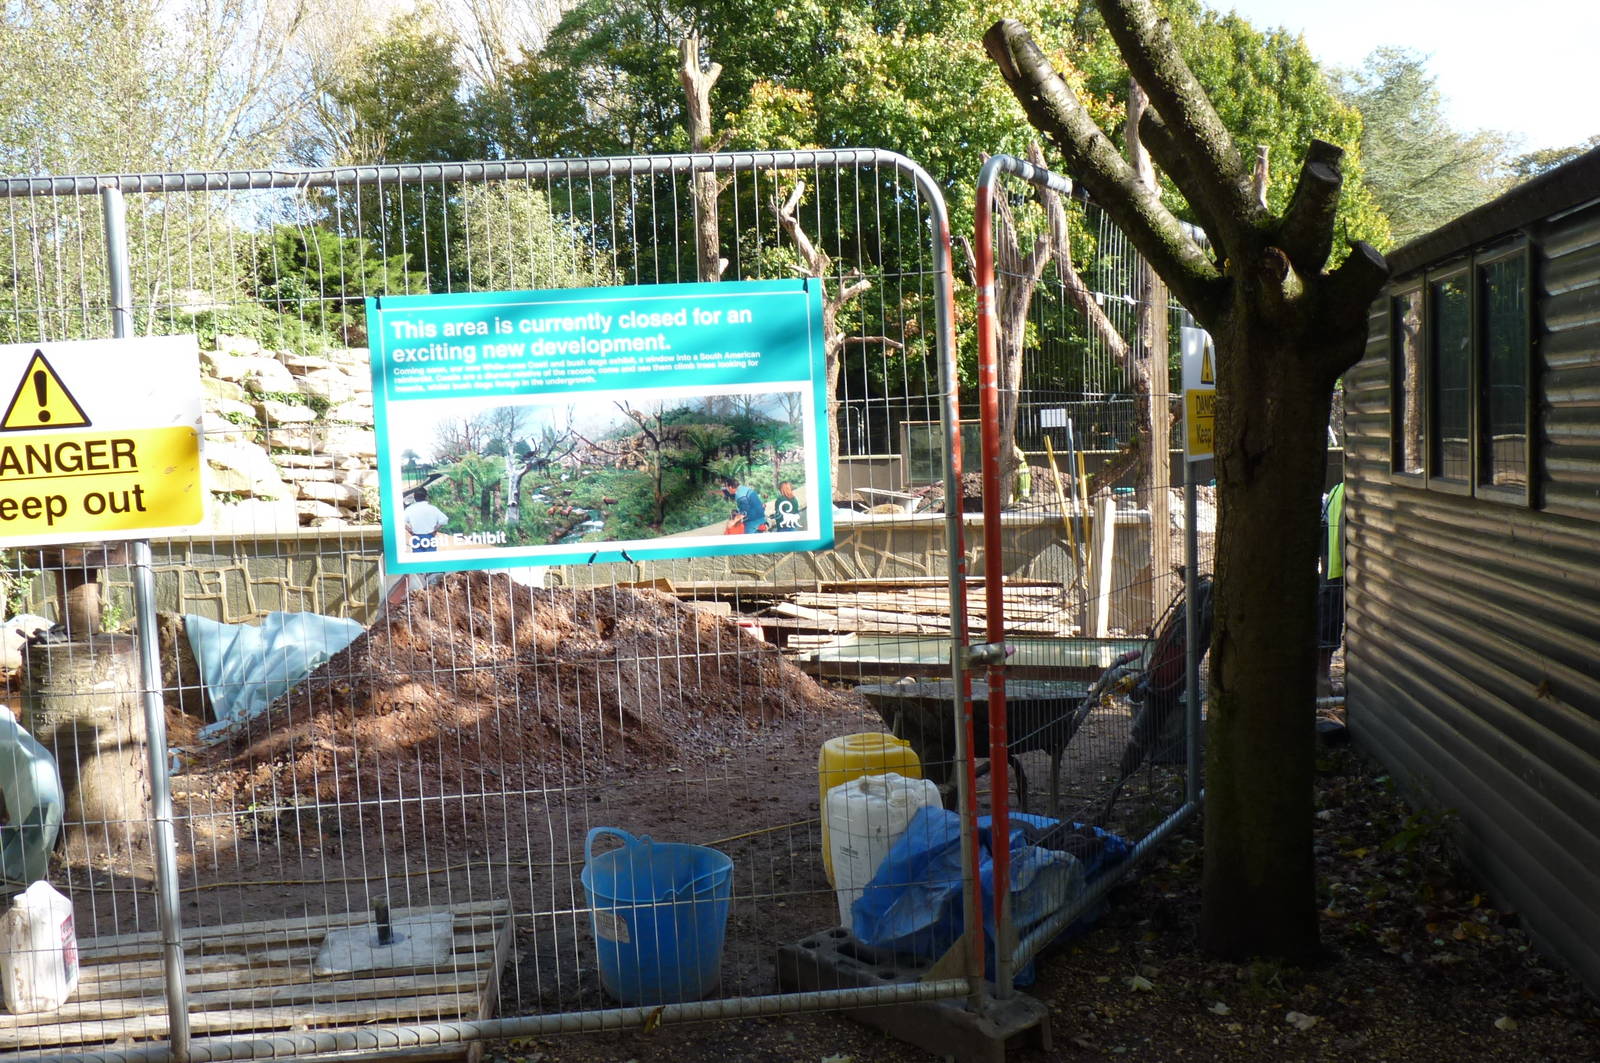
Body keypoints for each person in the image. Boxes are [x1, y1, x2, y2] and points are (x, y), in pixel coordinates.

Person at [1317, 480, 1346, 694]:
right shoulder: (1345, 491)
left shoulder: (1337, 491)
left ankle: (1322, 679)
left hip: (1332, 572)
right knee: (1328, 629)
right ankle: (1321, 681)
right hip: (1340, 573)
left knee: (1328, 627)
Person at [404, 486, 449, 552]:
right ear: (426, 497)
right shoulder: (433, 508)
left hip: (416, 536)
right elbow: (444, 519)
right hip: (430, 536)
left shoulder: (410, 509)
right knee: (431, 559)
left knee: (418, 559)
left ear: (414, 497)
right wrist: (435, 530)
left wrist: (410, 530)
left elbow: (400, 521)